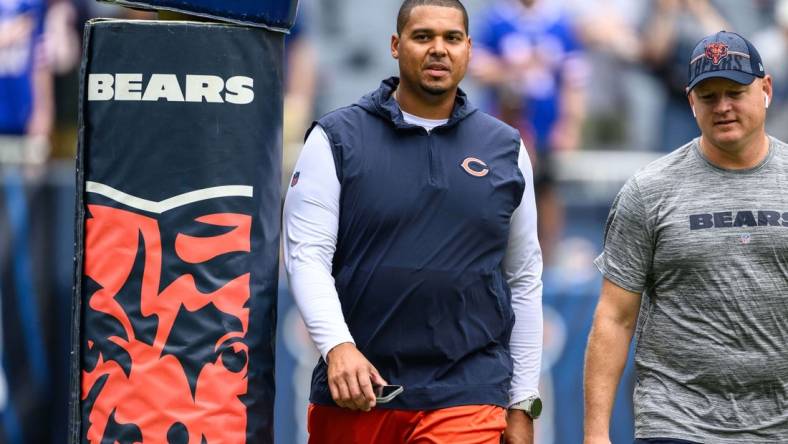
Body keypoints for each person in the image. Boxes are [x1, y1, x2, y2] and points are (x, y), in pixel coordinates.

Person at [283, 0, 543, 442]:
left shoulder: (506, 149)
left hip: (468, 393)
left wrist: (521, 402)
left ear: (469, 50)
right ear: (395, 46)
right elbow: (306, 255)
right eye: (423, 37)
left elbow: (524, 276)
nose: (438, 49)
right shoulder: (336, 138)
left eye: (452, 38)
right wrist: (337, 346)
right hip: (358, 390)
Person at [584, 31, 788, 444]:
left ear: (765, 89)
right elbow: (614, 317)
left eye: (735, 91)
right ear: (691, 101)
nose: (723, 107)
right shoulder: (649, 190)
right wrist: (595, 434)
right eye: (709, 96)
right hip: (677, 420)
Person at [470, 0, 588, 266]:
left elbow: (575, 80)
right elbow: (476, 67)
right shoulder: (494, 18)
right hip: (503, 127)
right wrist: (518, 68)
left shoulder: (560, 21)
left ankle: (548, 266)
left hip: (546, 129)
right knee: (498, 194)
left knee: (546, 192)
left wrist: (570, 124)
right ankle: (494, 263)